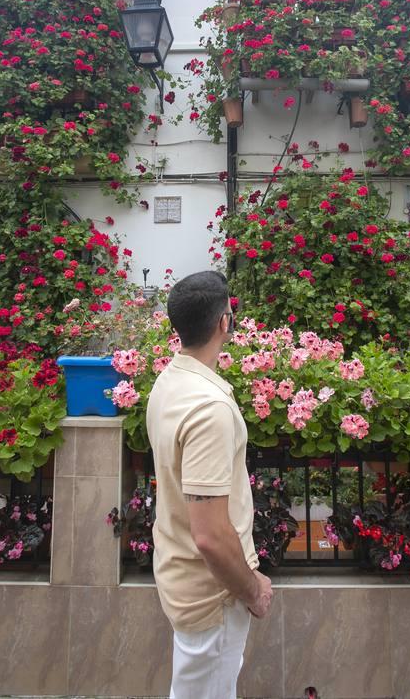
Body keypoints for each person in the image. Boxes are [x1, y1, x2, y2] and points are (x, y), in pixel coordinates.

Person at [146, 270, 273, 699]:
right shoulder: (209, 408)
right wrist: (252, 589)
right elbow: (211, 536)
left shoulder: (168, 383)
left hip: (183, 581)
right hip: (211, 597)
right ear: (225, 322)